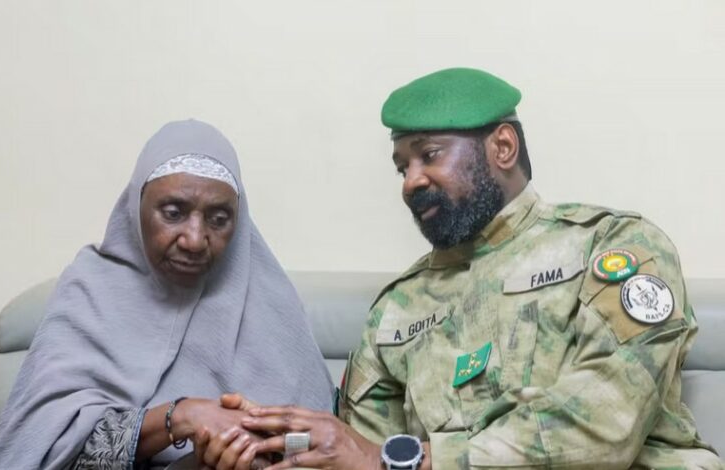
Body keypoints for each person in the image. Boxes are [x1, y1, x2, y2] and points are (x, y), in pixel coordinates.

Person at [225, 68, 723, 469]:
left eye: (429, 155)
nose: (411, 182)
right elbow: (362, 452)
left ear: (502, 147)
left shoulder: (613, 246)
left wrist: (409, 461)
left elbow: (605, 423)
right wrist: (268, 445)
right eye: (402, 167)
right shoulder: (397, 310)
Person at [0, 119, 333, 469]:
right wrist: (183, 416)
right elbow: (44, 449)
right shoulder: (89, 291)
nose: (195, 240)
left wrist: (255, 451)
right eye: (173, 213)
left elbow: (322, 445)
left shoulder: (271, 302)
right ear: (135, 206)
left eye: (219, 219)